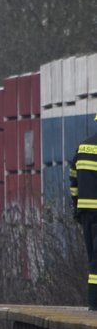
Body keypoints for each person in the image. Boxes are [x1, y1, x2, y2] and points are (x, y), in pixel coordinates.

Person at [70, 117, 97, 311]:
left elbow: (73, 182)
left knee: (93, 259)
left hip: (87, 212)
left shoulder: (83, 147)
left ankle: (93, 304)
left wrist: (77, 207)